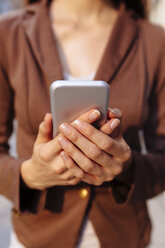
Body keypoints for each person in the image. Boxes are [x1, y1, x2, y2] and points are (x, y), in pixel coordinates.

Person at [0, 0, 165, 247]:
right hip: (37, 237)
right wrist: (31, 175)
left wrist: (126, 167)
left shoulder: (153, 40)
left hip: (125, 236)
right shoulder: (9, 34)